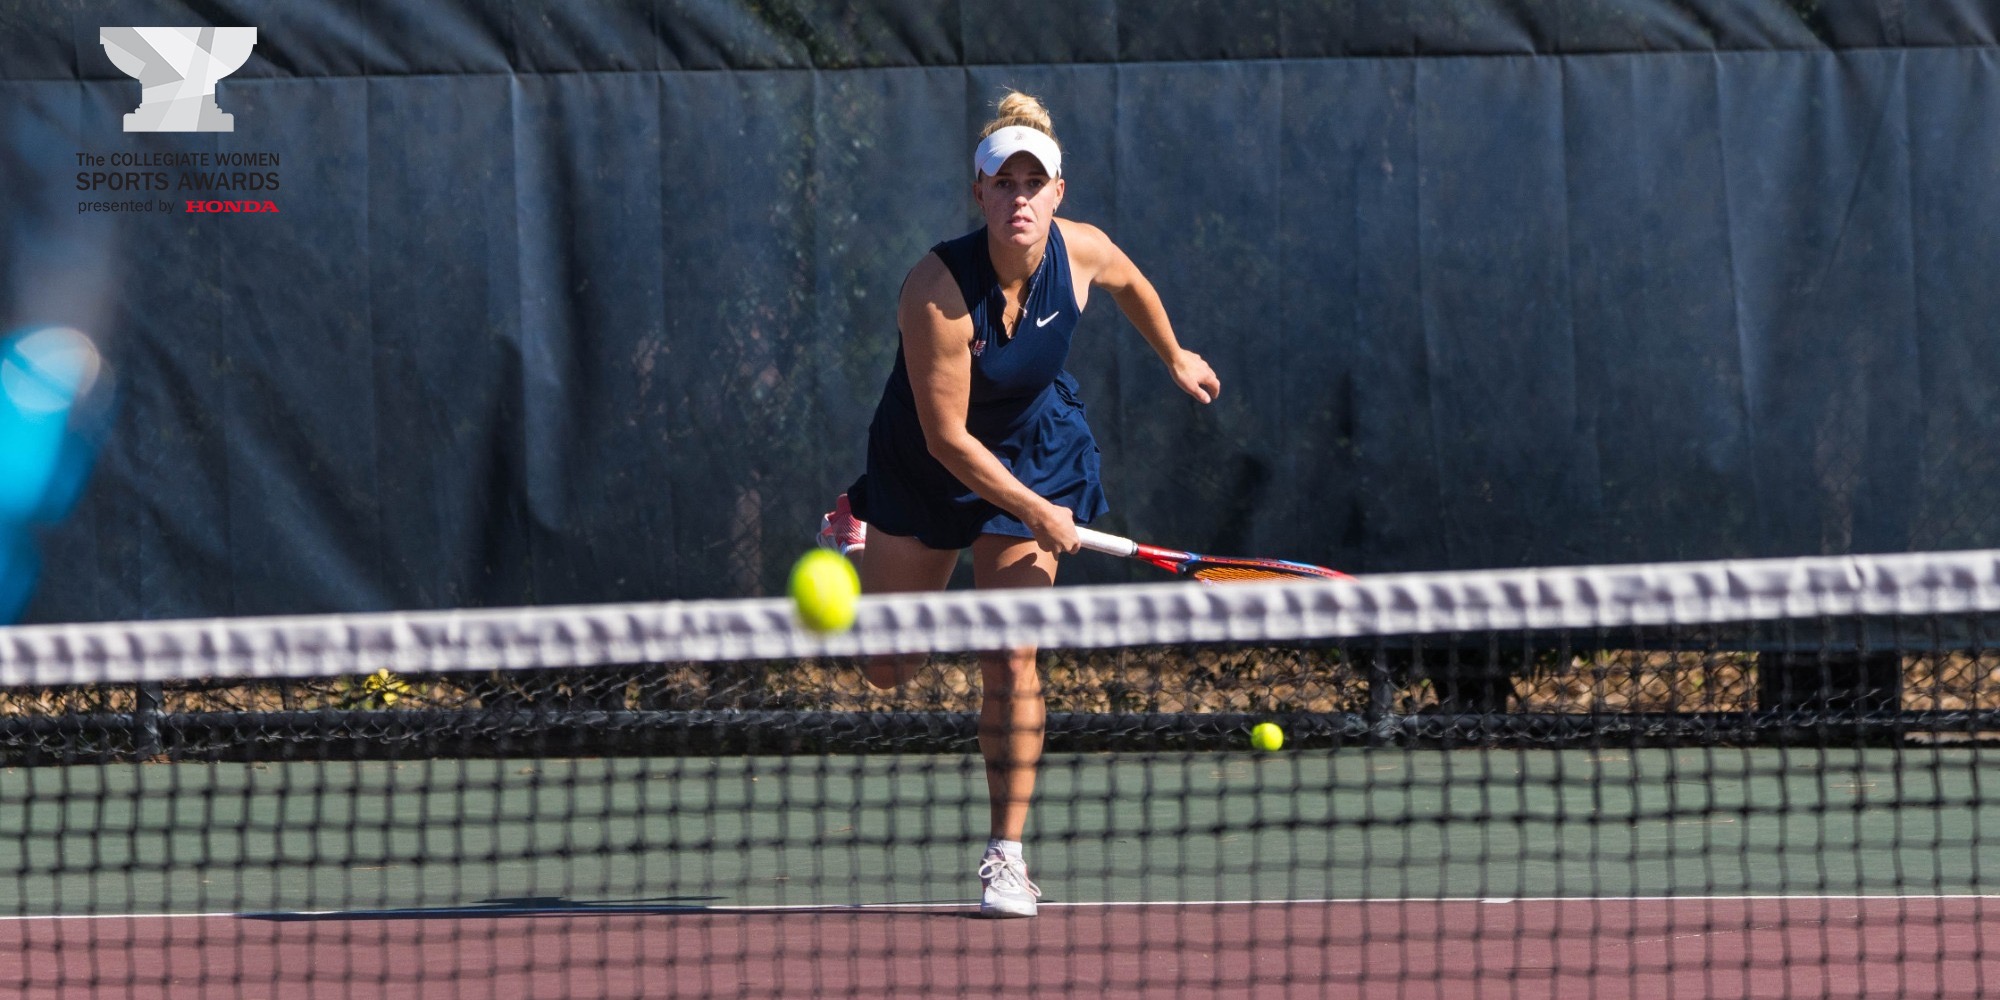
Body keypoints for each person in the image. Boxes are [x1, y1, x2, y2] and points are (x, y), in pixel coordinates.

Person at [817, 92, 1220, 918]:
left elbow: (1133, 283)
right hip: (929, 462)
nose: (1021, 199)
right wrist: (1037, 511)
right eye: (1005, 183)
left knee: (1011, 655)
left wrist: (1174, 353)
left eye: (1036, 183)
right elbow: (946, 439)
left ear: (1059, 194)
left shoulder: (1083, 252)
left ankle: (1007, 854)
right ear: (980, 193)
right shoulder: (935, 290)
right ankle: (851, 537)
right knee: (891, 672)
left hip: (1038, 445)